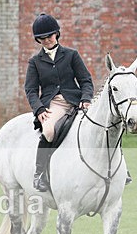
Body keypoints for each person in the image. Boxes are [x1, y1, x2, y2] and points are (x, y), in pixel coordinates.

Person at [24, 13, 94, 192]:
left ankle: (121, 170)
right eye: (42, 38)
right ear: (38, 40)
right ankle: (40, 173)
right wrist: (39, 109)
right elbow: (31, 90)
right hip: (54, 103)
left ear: (57, 34)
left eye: (49, 36)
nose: (46, 40)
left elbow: (85, 80)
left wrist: (86, 99)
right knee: (48, 131)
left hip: (77, 101)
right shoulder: (35, 62)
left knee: (104, 124)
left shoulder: (71, 55)